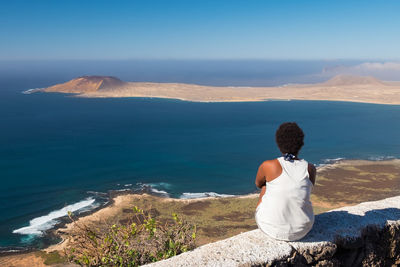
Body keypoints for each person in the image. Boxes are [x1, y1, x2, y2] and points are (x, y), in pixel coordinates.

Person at [255, 122, 316, 241]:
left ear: (278, 143)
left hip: (271, 229)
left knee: (266, 186)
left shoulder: (268, 165)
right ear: (301, 144)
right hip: (303, 229)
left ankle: (274, 218)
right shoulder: (310, 168)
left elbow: (258, 184)